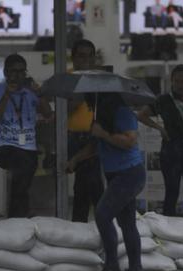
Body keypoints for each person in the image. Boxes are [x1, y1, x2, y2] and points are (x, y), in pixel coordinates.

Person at [68, 93, 146, 271]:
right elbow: (95, 146)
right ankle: (136, 270)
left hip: (129, 174)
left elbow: (129, 141)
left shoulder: (123, 113)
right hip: (115, 175)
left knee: (102, 214)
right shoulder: (101, 116)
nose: (88, 105)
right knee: (127, 222)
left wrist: (103, 133)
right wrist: (75, 160)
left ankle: (112, 267)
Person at [138, 65, 183, 216]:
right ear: (171, 81)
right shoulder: (163, 100)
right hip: (171, 151)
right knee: (171, 193)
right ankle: (168, 231)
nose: (180, 85)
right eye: (176, 81)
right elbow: (141, 115)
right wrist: (160, 128)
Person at [0, 54, 53, 218]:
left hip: (28, 148)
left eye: (22, 72)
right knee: (22, 164)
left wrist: (40, 93)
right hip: (5, 147)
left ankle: (18, 214)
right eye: (14, 71)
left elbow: (48, 113)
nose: (18, 76)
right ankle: (19, 213)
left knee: (24, 169)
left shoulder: (30, 92)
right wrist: (7, 95)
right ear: (5, 72)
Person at [67, 39, 104, 222]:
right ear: (73, 58)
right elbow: (64, 109)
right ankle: (89, 223)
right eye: (82, 56)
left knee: (91, 182)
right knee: (88, 182)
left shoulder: (100, 80)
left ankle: (86, 223)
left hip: (93, 136)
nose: (86, 60)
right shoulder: (66, 79)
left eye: (90, 56)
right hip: (71, 136)